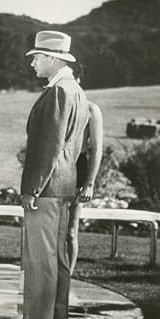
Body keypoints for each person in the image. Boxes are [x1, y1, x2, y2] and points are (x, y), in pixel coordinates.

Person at [4, 31, 89, 319]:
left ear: (53, 59)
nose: (33, 64)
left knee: (40, 259)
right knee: (58, 257)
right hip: (65, 187)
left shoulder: (57, 92)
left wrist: (33, 189)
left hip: (48, 188)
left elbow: (49, 148)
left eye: (37, 58)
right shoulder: (76, 91)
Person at [69, 98, 104, 276]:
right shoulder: (53, 104)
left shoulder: (91, 109)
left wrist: (89, 184)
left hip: (77, 167)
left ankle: (65, 282)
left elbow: (97, 149)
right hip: (55, 166)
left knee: (70, 232)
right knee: (48, 232)